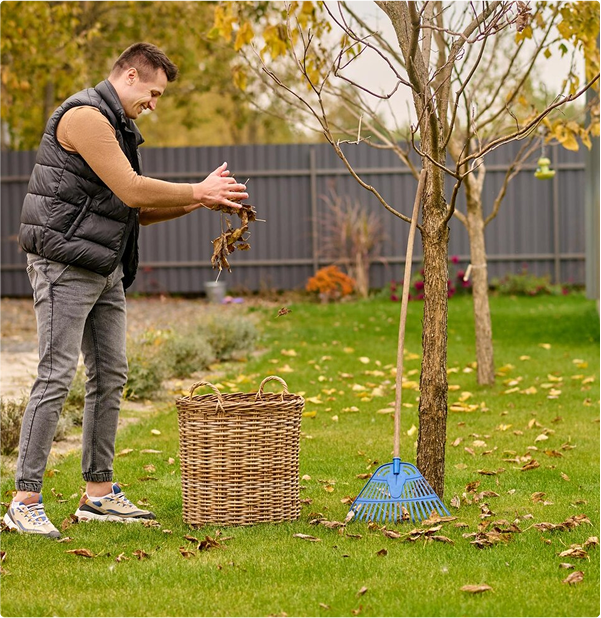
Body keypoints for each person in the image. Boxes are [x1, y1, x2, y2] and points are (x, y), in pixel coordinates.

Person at [3, 43, 249, 538]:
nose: (154, 104)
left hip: (104, 267)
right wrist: (197, 190)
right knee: (56, 375)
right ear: (130, 75)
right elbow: (133, 188)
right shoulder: (85, 117)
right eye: (153, 93)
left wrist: (199, 202)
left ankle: (98, 493)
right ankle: (23, 501)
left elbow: (134, 209)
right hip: (64, 263)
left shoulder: (119, 126)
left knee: (111, 374)